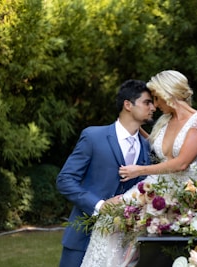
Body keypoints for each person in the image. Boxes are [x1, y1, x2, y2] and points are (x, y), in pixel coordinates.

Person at [81, 70, 197, 267]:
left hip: (183, 192)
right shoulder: (166, 120)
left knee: (136, 238)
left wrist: (139, 171)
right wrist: (129, 126)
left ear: (168, 94)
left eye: (157, 99)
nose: (155, 105)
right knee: (109, 220)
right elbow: (154, 144)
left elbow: (181, 163)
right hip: (154, 187)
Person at [56, 79, 156, 267]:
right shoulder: (93, 136)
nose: (153, 108)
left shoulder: (148, 147)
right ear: (128, 104)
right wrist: (100, 205)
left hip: (124, 245)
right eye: (147, 102)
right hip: (83, 238)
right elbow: (65, 180)